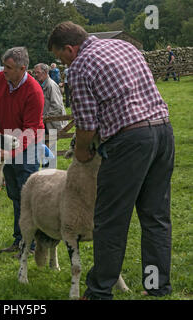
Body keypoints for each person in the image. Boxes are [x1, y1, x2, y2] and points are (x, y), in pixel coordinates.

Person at [48, 21, 174, 299]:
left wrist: (81, 153)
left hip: (130, 140)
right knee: (156, 216)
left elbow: (86, 125)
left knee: (110, 219)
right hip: (163, 130)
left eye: (60, 56)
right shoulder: (125, 46)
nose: (63, 62)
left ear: (70, 49)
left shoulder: (80, 67)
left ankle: (99, 291)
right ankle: (157, 286)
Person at [0, 47, 45, 253]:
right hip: (5, 139)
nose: (4, 71)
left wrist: (9, 153)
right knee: (14, 192)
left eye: (8, 67)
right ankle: (21, 240)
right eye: (4, 66)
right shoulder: (1, 80)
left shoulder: (34, 91)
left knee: (26, 192)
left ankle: (32, 243)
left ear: (22, 68)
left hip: (28, 143)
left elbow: (30, 130)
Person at [33, 63, 67, 132]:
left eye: (38, 72)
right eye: (35, 73)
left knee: (51, 142)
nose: (36, 75)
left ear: (45, 72)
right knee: (42, 141)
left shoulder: (51, 85)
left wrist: (43, 117)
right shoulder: (40, 85)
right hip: (45, 124)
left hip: (52, 124)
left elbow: (56, 106)